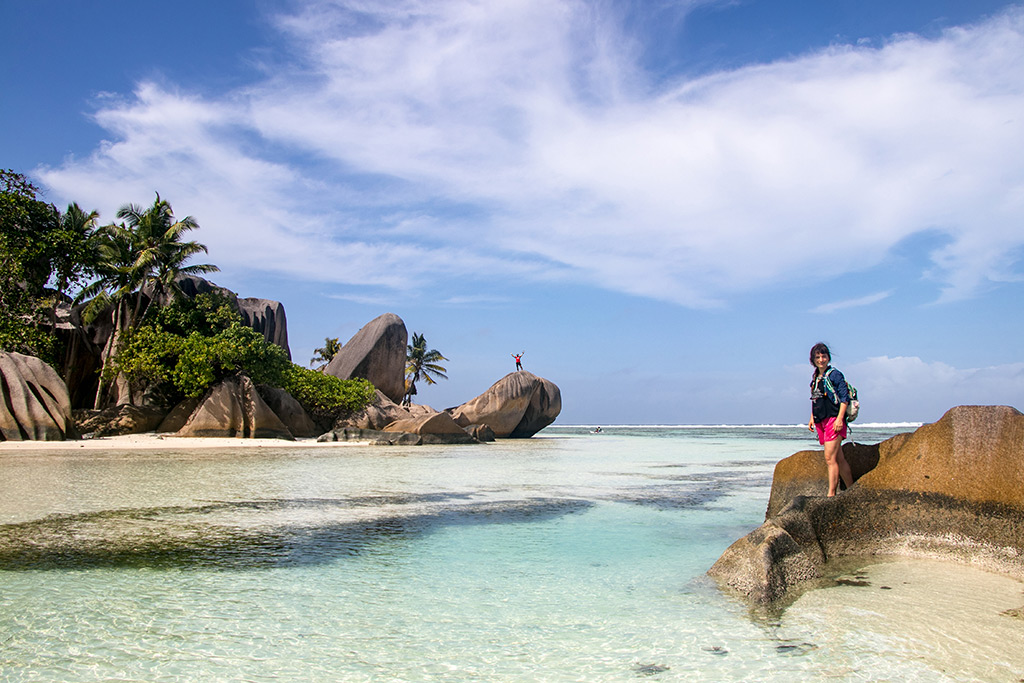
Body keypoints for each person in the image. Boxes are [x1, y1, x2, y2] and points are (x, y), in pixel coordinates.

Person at [807, 342, 854, 497]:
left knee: (829, 458)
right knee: (838, 458)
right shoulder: (816, 377)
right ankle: (852, 490)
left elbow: (844, 398)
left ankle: (831, 495)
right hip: (821, 421)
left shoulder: (835, 375)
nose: (821, 359)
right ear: (813, 359)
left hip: (834, 420)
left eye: (824, 356)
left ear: (828, 357)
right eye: (818, 357)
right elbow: (816, 400)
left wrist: (840, 419)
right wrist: (812, 418)